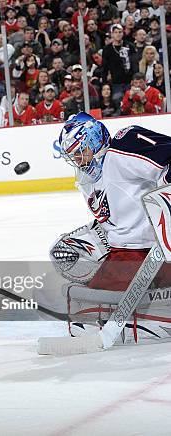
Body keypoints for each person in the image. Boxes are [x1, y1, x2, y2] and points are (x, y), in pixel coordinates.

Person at [51, 112, 171, 342]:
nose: (77, 159)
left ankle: (158, 311)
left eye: (80, 151)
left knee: (88, 319)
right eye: (72, 155)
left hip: (152, 250)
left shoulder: (123, 147)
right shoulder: (89, 181)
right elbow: (112, 220)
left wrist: (166, 199)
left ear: (94, 141)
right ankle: (144, 302)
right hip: (126, 252)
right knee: (82, 319)